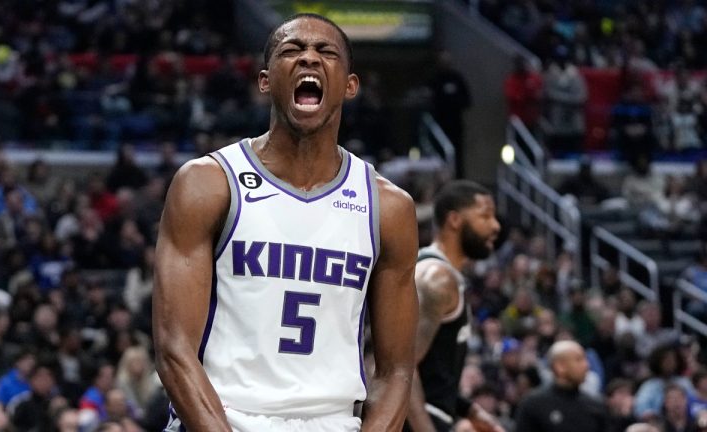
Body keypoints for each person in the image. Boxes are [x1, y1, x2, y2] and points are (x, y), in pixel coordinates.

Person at [154, 13, 419, 432]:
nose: (309, 59)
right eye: (292, 50)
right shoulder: (207, 184)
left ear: (350, 86)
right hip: (222, 420)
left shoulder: (388, 207)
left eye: (325, 52)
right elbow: (173, 349)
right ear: (265, 80)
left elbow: (397, 371)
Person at [406, 180, 503, 432]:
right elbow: (400, 368)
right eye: (485, 216)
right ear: (455, 220)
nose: (495, 225)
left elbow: (434, 376)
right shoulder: (437, 279)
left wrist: (472, 411)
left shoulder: (443, 274)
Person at [515, 340, 608, 432]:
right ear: (560, 367)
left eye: (585, 360)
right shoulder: (533, 404)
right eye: (578, 360)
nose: (586, 365)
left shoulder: (596, 406)